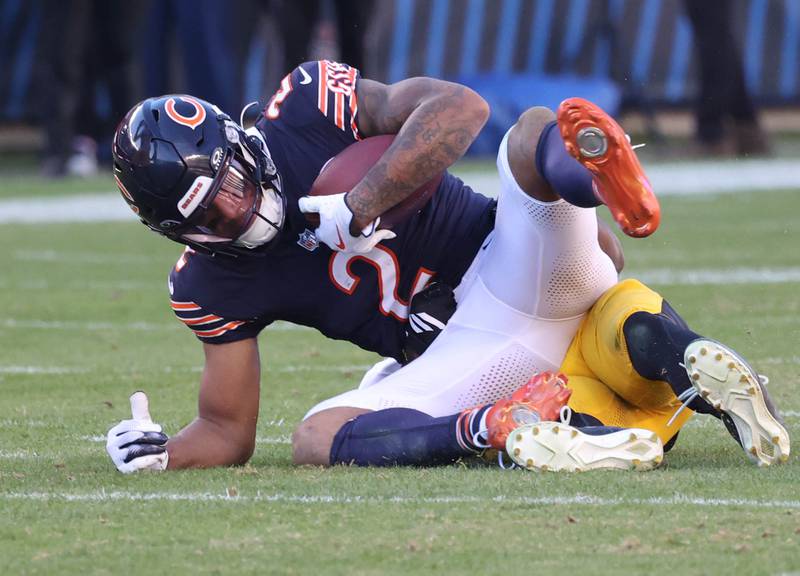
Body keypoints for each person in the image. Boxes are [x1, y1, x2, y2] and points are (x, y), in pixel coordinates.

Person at [106, 59, 662, 474]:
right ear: (175, 233)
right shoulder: (206, 283)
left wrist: (362, 203)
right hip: (453, 350)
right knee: (315, 439)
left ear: (238, 144)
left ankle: (594, 176)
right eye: (208, 217)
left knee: (541, 147)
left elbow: (462, 108)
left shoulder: (306, 108)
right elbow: (227, 431)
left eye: (228, 182)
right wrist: (163, 454)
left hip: (502, 267)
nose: (236, 209)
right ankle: (500, 426)